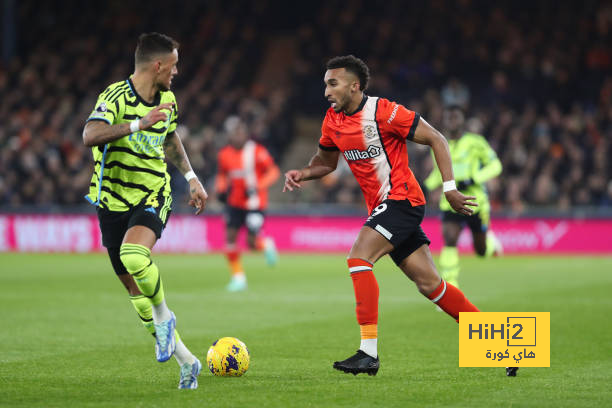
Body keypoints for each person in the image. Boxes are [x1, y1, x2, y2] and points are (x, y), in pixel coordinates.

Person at [283, 55, 518, 377]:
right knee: (431, 284)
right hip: (384, 206)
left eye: (332, 83)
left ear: (354, 86)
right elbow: (326, 163)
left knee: (358, 259)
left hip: (402, 200)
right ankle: (504, 347)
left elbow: (437, 138)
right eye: (325, 83)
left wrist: (449, 188)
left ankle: (368, 353)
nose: (326, 90)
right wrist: (303, 173)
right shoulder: (332, 120)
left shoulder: (385, 112)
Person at [82, 32, 209, 389]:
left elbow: (169, 137)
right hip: (110, 199)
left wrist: (191, 177)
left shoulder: (168, 98)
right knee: (136, 296)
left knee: (134, 255)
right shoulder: (115, 96)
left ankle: (164, 317)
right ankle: (188, 362)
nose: (176, 72)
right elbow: (90, 135)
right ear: (157, 65)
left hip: (152, 191)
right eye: (173, 65)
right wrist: (139, 124)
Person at [424, 105, 503, 288]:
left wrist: (474, 178)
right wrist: (425, 186)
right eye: (448, 117)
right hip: (450, 201)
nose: (452, 121)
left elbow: (495, 165)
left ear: (462, 120)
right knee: (450, 239)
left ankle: (490, 244)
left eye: (455, 117)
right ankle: (450, 288)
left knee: (480, 251)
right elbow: (438, 173)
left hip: (475, 201)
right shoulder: (438, 142)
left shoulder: (476, 142)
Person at [215, 116, 280, 291]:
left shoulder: (257, 151)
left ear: (246, 135)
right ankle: (238, 278)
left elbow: (274, 172)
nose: (238, 137)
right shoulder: (224, 154)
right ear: (230, 136)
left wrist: (257, 186)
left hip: (254, 204)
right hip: (233, 203)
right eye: (234, 134)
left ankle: (266, 245)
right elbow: (222, 175)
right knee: (230, 239)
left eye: (241, 133)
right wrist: (220, 189)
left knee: (251, 243)